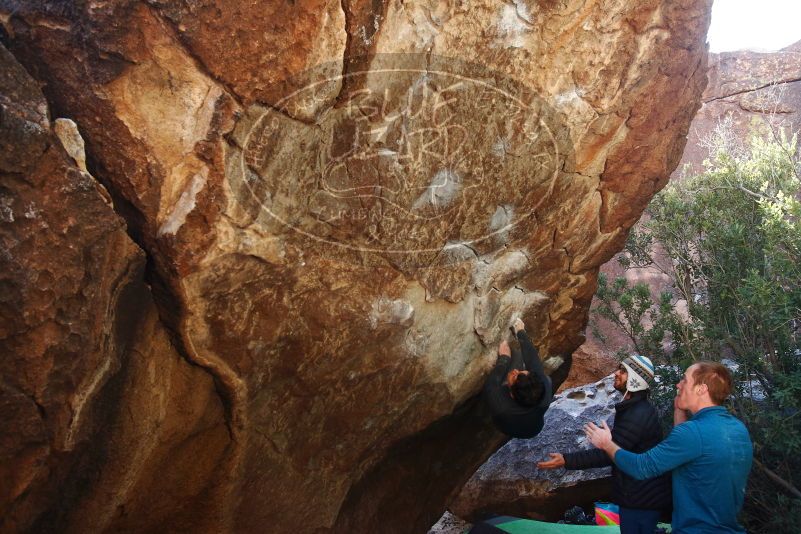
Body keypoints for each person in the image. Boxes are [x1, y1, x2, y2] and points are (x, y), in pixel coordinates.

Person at [585, 361, 753, 534]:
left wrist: (606, 444)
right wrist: (679, 410)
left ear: (701, 389)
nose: (678, 384)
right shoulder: (737, 429)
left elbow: (640, 467)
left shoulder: (693, 433)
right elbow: (692, 449)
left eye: (685, 380)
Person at [538, 355, 671, 534]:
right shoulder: (634, 409)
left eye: (623, 371)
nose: (616, 373)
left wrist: (566, 460)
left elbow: (609, 453)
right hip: (640, 495)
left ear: (635, 380)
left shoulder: (637, 415)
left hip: (641, 499)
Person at [483, 318, 553, 438]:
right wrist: (521, 331)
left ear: (512, 395)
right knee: (546, 377)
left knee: (515, 359)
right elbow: (533, 361)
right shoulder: (544, 388)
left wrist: (504, 359)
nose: (515, 371)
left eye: (515, 376)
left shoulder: (500, 405)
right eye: (522, 372)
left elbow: (491, 384)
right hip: (535, 428)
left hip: (508, 427)